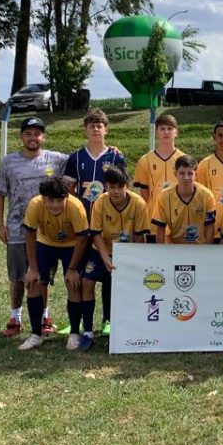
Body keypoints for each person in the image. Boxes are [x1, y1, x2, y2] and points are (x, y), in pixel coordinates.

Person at [0, 116, 68, 338]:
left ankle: (44, 317)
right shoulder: (8, 162)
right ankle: (15, 318)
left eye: (37, 134)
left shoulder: (57, 160)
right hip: (17, 229)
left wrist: (110, 148)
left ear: (43, 137)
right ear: (21, 137)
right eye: (28, 134)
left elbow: (85, 158)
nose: (33, 138)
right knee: (17, 276)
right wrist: (0, 225)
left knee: (42, 276)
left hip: (46, 233)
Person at [63, 108, 126, 336]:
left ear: (106, 129)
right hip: (82, 226)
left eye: (100, 126)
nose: (96, 129)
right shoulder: (75, 158)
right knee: (78, 273)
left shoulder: (116, 157)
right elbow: (68, 191)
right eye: (92, 126)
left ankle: (108, 319)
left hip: (109, 226)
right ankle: (76, 321)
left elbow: (123, 186)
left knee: (110, 273)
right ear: (86, 130)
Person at [83, 166, 153, 350]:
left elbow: (139, 236)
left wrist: (136, 261)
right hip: (101, 251)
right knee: (86, 283)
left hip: (127, 253)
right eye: (111, 187)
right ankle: (88, 332)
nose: (114, 191)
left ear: (127, 186)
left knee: (128, 289)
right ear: (106, 186)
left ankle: (127, 328)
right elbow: (96, 233)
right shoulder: (100, 202)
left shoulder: (138, 203)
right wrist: (105, 257)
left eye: (119, 187)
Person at [20, 176, 90, 351]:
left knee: (73, 284)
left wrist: (73, 268)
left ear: (67, 196)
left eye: (60, 200)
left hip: (72, 245)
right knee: (34, 282)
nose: (55, 205)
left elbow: (82, 239)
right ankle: (36, 334)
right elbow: (29, 235)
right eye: (51, 200)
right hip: (45, 243)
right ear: (43, 198)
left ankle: (74, 333)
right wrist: (33, 268)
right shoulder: (35, 205)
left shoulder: (76, 207)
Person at [151, 155, 217, 245]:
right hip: (174, 247)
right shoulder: (164, 196)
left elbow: (210, 228)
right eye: (182, 173)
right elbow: (160, 228)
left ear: (196, 174)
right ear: (175, 174)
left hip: (199, 248)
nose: (186, 177)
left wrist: (207, 252)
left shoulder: (207, 195)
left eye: (190, 173)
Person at [133, 113, 184, 202]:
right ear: (156, 132)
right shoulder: (145, 161)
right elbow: (144, 194)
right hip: (154, 213)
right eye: (162, 129)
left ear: (176, 132)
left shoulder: (184, 159)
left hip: (178, 213)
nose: (166, 132)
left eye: (170, 128)